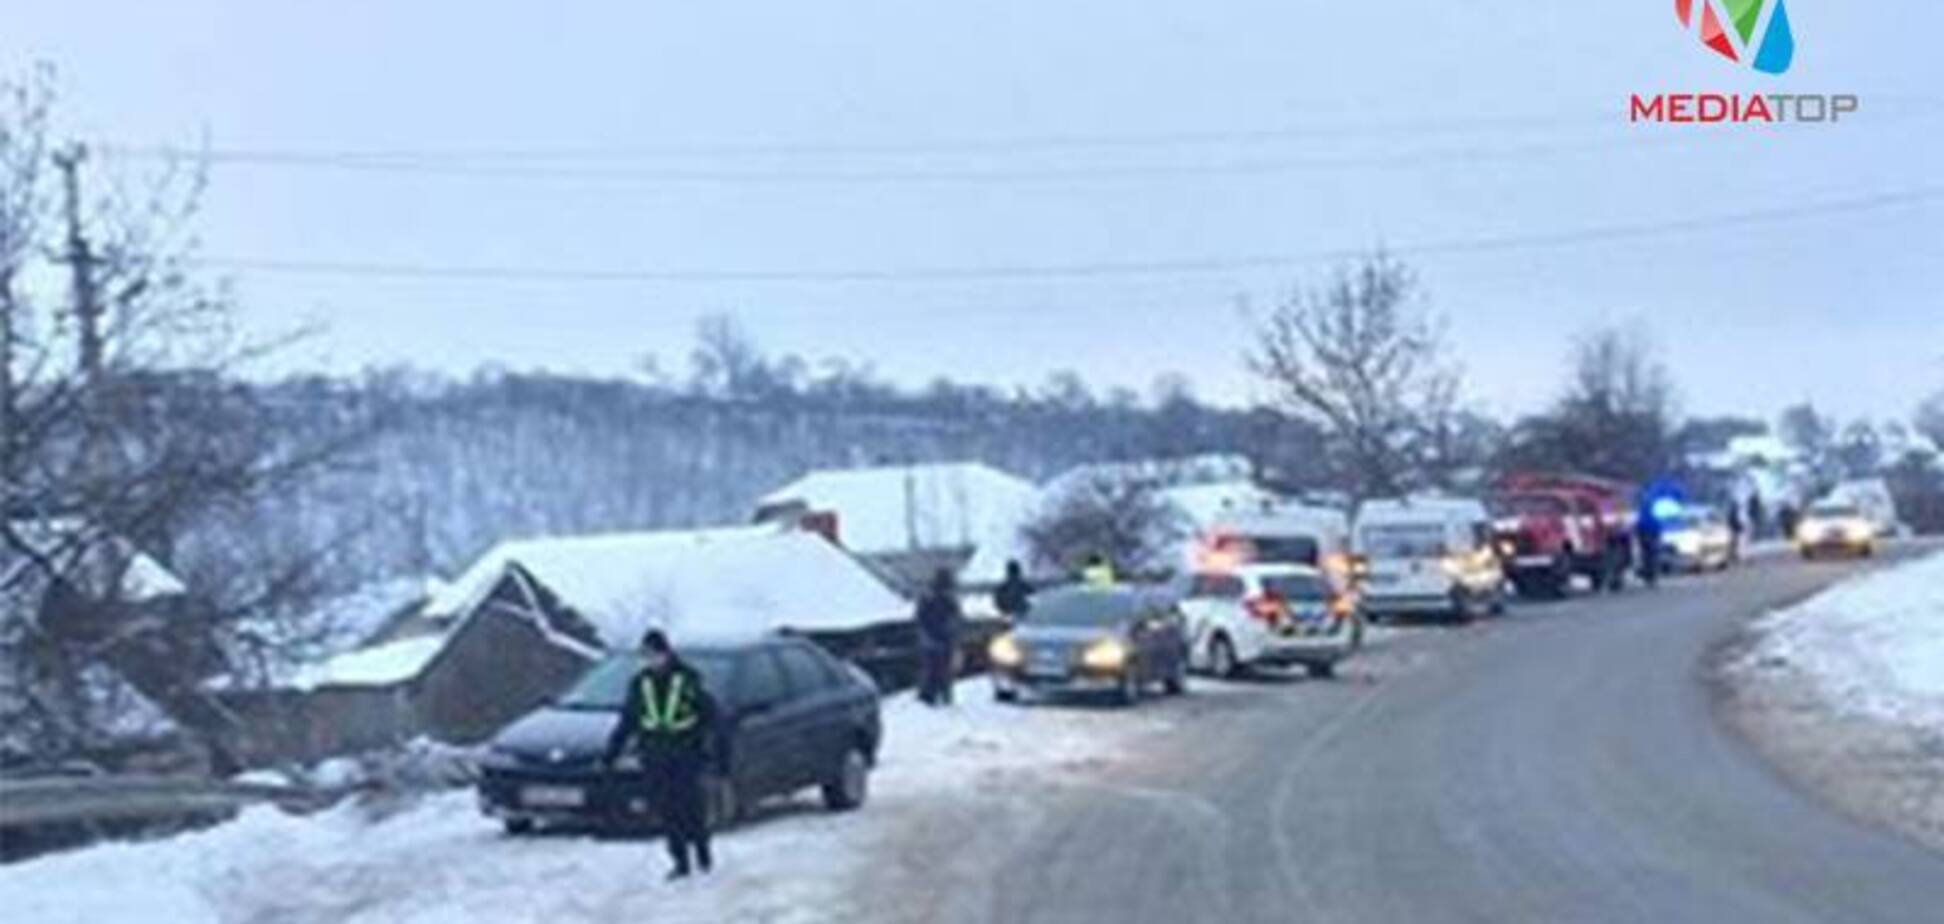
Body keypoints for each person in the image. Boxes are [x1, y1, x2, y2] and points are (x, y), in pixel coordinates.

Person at [604, 629, 720, 880]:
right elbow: (629, 720)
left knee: (690, 806)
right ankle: (680, 860)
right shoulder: (640, 683)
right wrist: (612, 752)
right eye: (646, 656)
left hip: (685, 753)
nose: (652, 660)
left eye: (655, 654)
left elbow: (709, 715)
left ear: (666, 653)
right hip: (654, 755)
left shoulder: (688, 679)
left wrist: (712, 749)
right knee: (667, 810)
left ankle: (702, 850)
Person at [914, 568, 962, 706]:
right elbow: (922, 618)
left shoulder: (934, 597)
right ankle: (933, 696)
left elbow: (955, 617)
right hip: (935, 639)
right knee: (936, 669)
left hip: (938, 640)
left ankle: (937, 695)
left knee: (938, 669)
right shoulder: (934, 598)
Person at [994, 559, 1034, 623]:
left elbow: (997, 598)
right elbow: (1032, 591)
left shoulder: (1005, 585)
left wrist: (1004, 610)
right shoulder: (1020, 583)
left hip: (1012, 611)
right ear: (1018, 571)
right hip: (1018, 611)